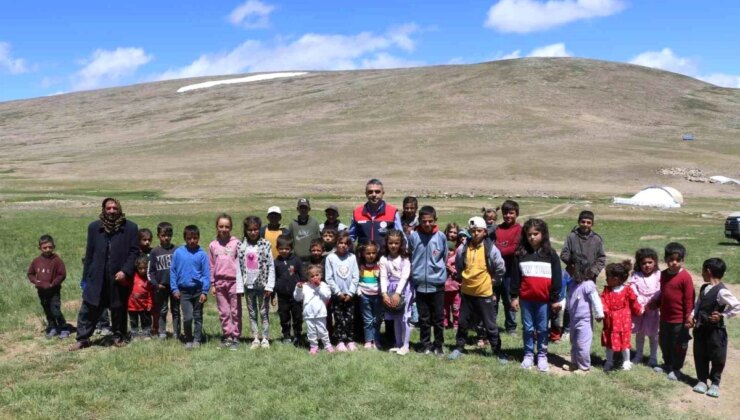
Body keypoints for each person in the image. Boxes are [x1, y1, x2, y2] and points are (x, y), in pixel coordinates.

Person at [71, 198, 139, 351]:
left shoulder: (130, 228)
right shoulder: (94, 227)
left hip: (118, 276)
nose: (112, 211)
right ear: (103, 209)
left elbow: (134, 252)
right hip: (97, 274)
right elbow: (89, 254)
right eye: (108, 208)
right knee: (89, 307)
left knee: (118, 307)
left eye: (115, 208)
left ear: (119, 209)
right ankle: (82, 338)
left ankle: (118, 335)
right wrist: (85, 278)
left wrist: (125, 271)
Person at [448, 217, 506, 363]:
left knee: (490, 324)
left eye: (479, 231)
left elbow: (500, 267)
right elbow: (460, 266)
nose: (475, 234)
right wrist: (463, 278)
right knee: (462, 322)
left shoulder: (491, 249)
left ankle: (497, 350)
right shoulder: (463, 248)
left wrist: (493, 282)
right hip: (467, 293)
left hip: (484, 292)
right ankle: (459, 347)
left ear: (485, 232)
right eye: (472, 231)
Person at [510, 218, 562, 372]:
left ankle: (542, 355)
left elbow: (557, 279)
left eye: (536, 234)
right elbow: (515, 278)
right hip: (526, 300)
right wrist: (514, 296)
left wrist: (554, 299)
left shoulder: (551, 255)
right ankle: (528, 354)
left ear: (543, 234)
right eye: (529, 234)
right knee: (527, 328)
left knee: (542, 329)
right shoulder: (520, 254)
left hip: (544, 301)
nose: (532, 237)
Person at [691, 258, 740, 398]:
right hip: (701, 328)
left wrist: (722, 315)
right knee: (700, 354)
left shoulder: (722, 292)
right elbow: (698, 305)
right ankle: (701, 380)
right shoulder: (704, 288)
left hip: (715, 332)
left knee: (717, 356)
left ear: (708, 271)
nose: (701, 274)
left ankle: (715, 383)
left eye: (702, 271)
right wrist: (691, 315)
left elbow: (737, 305)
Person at [408, 205, 448, 356]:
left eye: (430, 221)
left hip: (436, 283)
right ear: (419, 221)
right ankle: (425, 344)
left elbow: (444, 257)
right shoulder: (414, 236)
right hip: (419, 283)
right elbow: (411, 255)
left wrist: (438, 273)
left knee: (438, 318)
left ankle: (438, 345)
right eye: (424, 221)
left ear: (435, 220)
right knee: (423, 318)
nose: (427, 224)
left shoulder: (441, 237)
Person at [655, 242, 694, 381]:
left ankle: (676, 368)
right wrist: (656, 303)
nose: (674, 263)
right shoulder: (663, 275)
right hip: (665, 317)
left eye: (677, 260)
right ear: (666, 259)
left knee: (678, 345)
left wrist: (688, 317)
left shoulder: (685, 277)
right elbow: (663, 293)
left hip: (680, 319)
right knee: (664, 342)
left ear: (683, 260)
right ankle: (667, 364)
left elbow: (689, 299)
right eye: (671, 259)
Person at [236, 216, 275, 350]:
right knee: (252, 313)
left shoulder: (265, 244)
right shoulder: (241, 246)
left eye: (255, 229)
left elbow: (270, 265)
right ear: (246, 230)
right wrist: (240, 287)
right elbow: (239, 268)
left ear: (259, 229)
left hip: (262, 286)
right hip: (248, 287)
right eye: (250, 230)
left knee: (264, 312)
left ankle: (265, 338)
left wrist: (270, 285)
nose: (253, 232)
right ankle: (255, 338)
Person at [170, 225, 210, 350]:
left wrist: (204, 291)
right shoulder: (178, 253)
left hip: (198, 291)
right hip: (184, 292)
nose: (192, 241)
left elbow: (206, 274)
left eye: (195, 238)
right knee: (188, 317)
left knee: (198, 316)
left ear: (198, 238)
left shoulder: (202, 254)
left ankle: (197, 339)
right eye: (189, 238)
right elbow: (173, 271)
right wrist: (174, 288)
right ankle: (188, 338)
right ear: (185, 238)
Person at [601, 261, 643, 371]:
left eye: (608, 277)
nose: (606, 279)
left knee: (625, 342)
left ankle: (626, 361)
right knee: (609, 342)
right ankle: (609, 361)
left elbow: (634, 302)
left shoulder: (627, 290)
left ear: (616, 279)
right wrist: (604, 311)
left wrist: (639, 310)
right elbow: (603, 302)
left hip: (624, 321)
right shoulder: (606, 291)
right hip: (610, 321)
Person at [564, 261, 603, 373]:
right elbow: (569, 298)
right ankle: (574, 363)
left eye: (571, 268)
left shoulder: (588, 285)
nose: (568, 270)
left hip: (584, 321)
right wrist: (563, 306)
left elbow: (595, 300)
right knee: (574, 343)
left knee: (582, 344)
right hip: (573, 320)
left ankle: (584, 367)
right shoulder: (572, 284)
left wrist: (599, 314)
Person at [209, 214, 241, 350]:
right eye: (221, 226)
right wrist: (212, 283)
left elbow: (240, 264)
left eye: (227, 226)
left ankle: (235, 337)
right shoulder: (213, 245)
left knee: (235, 310)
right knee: (224, 311)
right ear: (217, 227)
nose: (224, 229)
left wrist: (241, 283)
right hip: (219, 282)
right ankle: (227, 335)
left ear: (231, 227)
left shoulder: (236, 243)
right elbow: (211, 265)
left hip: (234, 282)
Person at [27, 234, 69, 339]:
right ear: (40, 248)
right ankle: (52, 327)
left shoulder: (57, 260)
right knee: (47, 310)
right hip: (41, 291)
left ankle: (64, 328)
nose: (47, 249)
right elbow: (30, 274)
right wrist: (36, 282)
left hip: (54, 291)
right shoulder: (36, 261)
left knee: (55, 310)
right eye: (44, 248)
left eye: (50, 247)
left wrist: (53, 284)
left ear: (53, 246)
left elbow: (62, 274)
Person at [325, 231, 360, 352]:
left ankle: (350, 340)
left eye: (346, 243)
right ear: (336, 243)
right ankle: (340, 340)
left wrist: (350, 293)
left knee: (350, 318)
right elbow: (329, 278)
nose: (343, 245)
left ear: (349, 245)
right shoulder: (330, 258)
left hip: (350, 295)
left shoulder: (352, 257)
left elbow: (356, 276)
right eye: (340, 243)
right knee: (339, 318)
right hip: (337, 296)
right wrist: (338, 292)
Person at [380, 229, 412, 355]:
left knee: (404, 318)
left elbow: (404, 276)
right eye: (390, 243)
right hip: (390, 289)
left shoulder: (404, 258)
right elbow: (383, 276)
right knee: (395, 318)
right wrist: (384, 294)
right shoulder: (384, 259)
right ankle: (398, 344)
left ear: (401, 244)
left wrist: (397, 293)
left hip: (403, 289)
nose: (393, 246)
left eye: (396, 243)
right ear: (387, 243)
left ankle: (406, 345)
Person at [628, 248, 661, 366]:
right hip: (640, 309)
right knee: (640, 333)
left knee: (654, 334)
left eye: (650, 262)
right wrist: (640, 302)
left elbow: (660, 289)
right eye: (644, 263)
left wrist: (654, 301)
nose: (647, 265)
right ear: (639, 264)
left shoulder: (658, 275)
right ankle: (638, 355)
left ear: (655, 262)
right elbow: (632, 288)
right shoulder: (636, 275)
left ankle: (653, 357)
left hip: (653, 309)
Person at [349, 178, 403, 250]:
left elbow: (401, 236)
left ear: (383, 193)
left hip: (385, 258)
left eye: (377, 192)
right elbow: (351, 237)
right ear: (366, 194)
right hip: (363, 258)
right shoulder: (357, 212)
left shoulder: (393, 212)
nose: (374, 194)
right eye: (370, 192)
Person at [148, 221, 180, 340]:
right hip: (161, 287)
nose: (166, 238)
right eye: (163, 235)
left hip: (175, 286)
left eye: (169, 235)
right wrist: (155, 284)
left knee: (176, 310)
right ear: (158, 236)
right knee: (162, 310)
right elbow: (150, 271)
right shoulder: (154, 252)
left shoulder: (177, 250)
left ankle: (177, 333)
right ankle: (162, 332)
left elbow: (180, 268)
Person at [495, 199, 522, 336]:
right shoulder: (497, 229)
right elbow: (492, 245)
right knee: (493, 299)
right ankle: (491, 324)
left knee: (509, 299)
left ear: (516, 214)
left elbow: (515, 248)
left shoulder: (519, 230)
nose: (508, 216)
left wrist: (498, 250)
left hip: (511, 271)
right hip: (495, 272)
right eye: (505, 213)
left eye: (511, 213)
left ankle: (511, 327)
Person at [294, 265, 334, 355]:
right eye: (312, 276)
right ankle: (313, 346)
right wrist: (298, 289)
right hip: (309, 314)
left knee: (323, 331)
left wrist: (319, 286)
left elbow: (327, 296)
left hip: (321, 313)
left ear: (321, 275)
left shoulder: (324, 285)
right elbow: (297, 298)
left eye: (317, 275)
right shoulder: (305, 286)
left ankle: (327, 345)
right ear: (308, 277)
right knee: (311, 332)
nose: (315, 277)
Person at [273, 235, 304, 345]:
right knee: (284, 316)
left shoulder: (296, 260)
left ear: (291, 249)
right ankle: (286, 335)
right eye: (281, 248)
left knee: (297, 316)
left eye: (287, 249)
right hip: (282, 297)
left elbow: (302, 275)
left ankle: (297, 334)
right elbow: (274, 278)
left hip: (296, 296)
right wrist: (274, 293)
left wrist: (302, 286)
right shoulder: (276, 262)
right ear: (277, 248)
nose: (284, 251)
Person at [560, 210, 606, 282]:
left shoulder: (597, 239)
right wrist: (571, 262)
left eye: (588, 222)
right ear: (578, 222)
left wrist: (593, 271)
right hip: (573, 274)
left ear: (592, 224)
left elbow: (601, 258)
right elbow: (564, 254)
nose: (585, 224)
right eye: (583, 222)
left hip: (590, 277)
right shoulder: (571, 237)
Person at [358, 241, 382, 349]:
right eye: (368, 253)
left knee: (377, 319)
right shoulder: (361, 267)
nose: (371, 255)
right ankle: (368, 340)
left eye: (373, 253)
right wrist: (360, 292)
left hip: (377, 296)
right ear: (363, 254)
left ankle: (376, 340)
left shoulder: (379, 266)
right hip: (365, 296)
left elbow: (383, 280)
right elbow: (357, 280)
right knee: (367, 319)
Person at [288, 198, 321, 264]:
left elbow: (318, 240)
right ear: (297, 209)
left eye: (305, 208)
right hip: (297, 259)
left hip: (312, 259)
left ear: (309, 209)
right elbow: (290, 241)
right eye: (301, 208)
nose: (303, 210)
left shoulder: (314, 223)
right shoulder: (293, 224)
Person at [128, 255, 154, 338]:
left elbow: (150, 293)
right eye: (140, 268)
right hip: (132, 305)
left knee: (146, 320)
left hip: (144, 305)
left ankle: (146, 333)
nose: (143, 270)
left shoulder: (148, 279)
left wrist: (150, 304)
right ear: (137, 268)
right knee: (133, 320)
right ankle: (134, 333)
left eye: (145, 268)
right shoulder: (132, 277)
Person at [443, 223, 462, 329]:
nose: (452, 234)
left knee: (456, 305)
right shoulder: (442, 243)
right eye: (450, 232)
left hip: (455, 284)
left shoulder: (460, 247)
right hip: (444, 284)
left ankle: (456, 323)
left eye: (455, 232)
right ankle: (445, 323)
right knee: (444, 306)